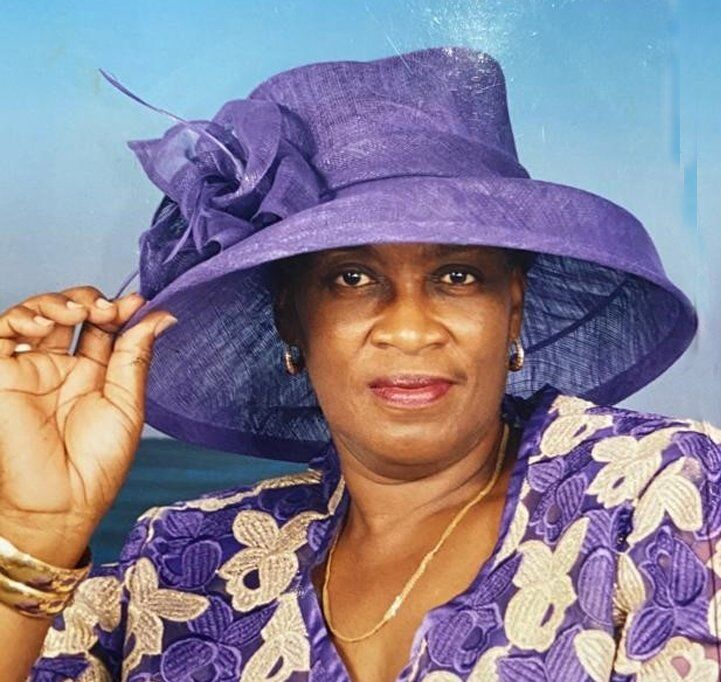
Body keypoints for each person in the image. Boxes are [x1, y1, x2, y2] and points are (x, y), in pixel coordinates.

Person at [1, 46, 719, 682]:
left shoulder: (657, 492)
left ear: (513, 306)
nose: (408, 329)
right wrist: (37, 532)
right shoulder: (178, 560)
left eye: (458, 275)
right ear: (291, 317)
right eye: (351, 277)